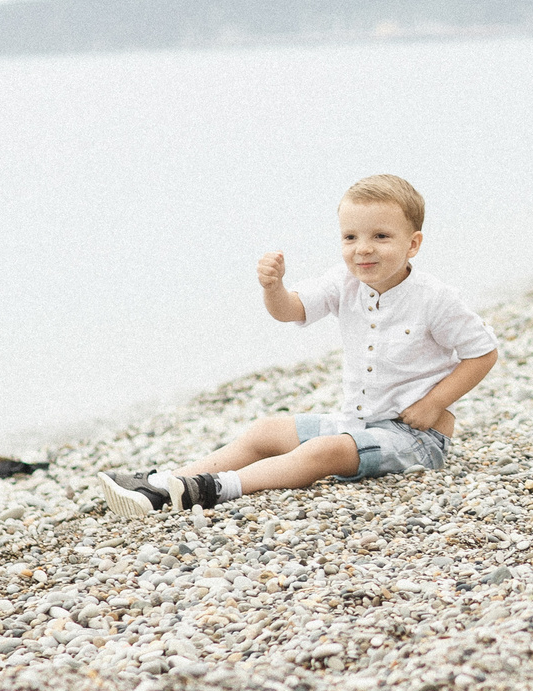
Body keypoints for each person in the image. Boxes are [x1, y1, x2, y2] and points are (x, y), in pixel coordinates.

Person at [98, 174, 499, 514]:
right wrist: (274, 288)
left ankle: (213, 488)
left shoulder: (435, 298)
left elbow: (483, 352)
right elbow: (290, 310)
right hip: (356, 423)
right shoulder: (344, 283)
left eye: (381, 236)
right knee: (267, 430)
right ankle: (164, 485)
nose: (363, 248)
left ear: (412, 244)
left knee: (324, 452)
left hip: (414, 439)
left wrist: (432, 404)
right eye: (350, 236)